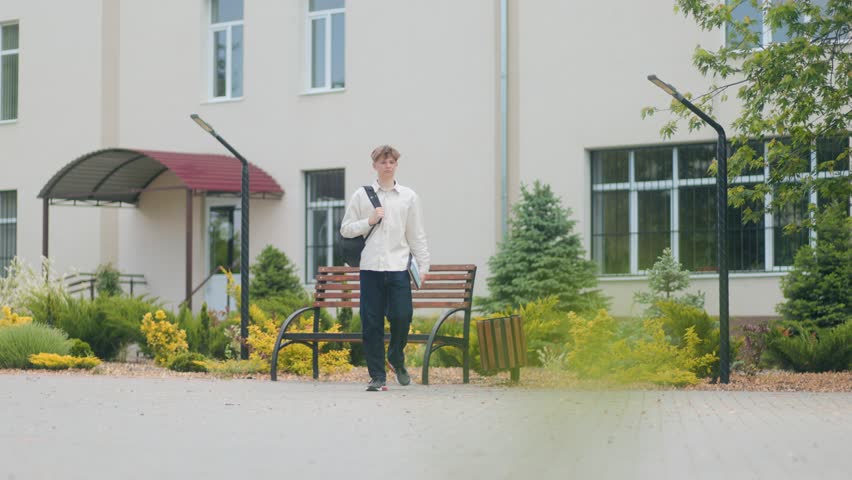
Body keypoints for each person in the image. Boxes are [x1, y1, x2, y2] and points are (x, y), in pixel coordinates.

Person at [340, 144, 430, 391]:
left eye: (391, 162)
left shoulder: (409, 197)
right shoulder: (361, 195)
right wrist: (368, 221)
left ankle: (396, 356)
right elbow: (345, 229)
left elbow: (416, 234)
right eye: (382, 162)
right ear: (375, 166)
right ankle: (377, 376)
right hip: (370, 269)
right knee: (371, 323)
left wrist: (424, 264)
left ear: (396, 165)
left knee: (402, 316)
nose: (387, 166)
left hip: (399, 267)